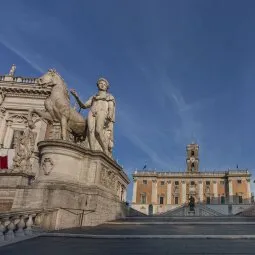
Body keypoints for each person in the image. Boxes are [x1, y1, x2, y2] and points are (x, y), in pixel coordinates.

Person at [70, 78, 115, 156]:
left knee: (98, 131)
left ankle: (105, 151)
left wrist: (110, 115)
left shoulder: (109, 96)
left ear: (107, 87)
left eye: (104, 84)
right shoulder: (93, 97)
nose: (102, 85)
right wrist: (76, 97)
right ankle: (92, 151)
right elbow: (83, 106)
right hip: (91, 112)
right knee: (90, 131)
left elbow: (111, 107)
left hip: (102, 112)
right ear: (98, 85)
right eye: (101, 83)